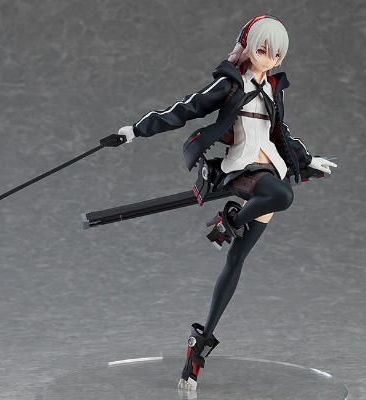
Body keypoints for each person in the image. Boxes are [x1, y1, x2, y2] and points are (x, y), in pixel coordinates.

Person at [117, 14, 337, 391]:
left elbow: (280, 132)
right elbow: (185, 108)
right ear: (249, 48)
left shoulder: (273, 89)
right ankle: (228, 221)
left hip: (271, 170)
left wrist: (307, 159)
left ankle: (196, 351)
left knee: (237, 259)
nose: (271, 58)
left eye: (277, 53)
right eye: (264, 50)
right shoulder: (230, 84)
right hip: (243, 170)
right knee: (283, 195)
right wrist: (135, 130)